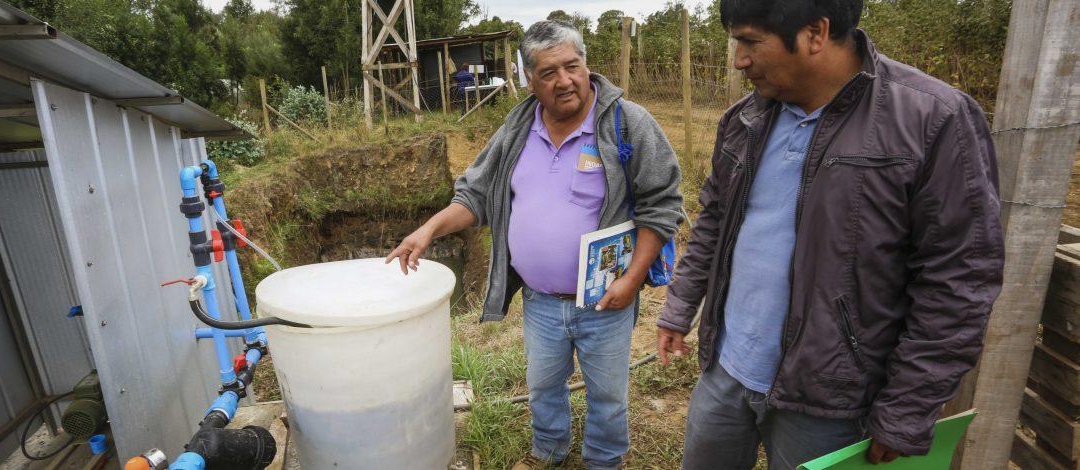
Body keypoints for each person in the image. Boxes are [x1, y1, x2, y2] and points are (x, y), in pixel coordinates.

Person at [656, 1, 1004, 469]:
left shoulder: (932, 120)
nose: (739, 60)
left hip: (833, 399)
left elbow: (959, 280)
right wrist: (679, 309)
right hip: (727, 370)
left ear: (816, 33)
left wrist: (905, 409)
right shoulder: (745, 120)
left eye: (750, 42)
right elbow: (714, 222)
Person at [388, 20, 684, 470]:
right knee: (544, 386)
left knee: (608, 394)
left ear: (586, 64)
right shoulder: (517, 126)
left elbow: (661, 206)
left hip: (606, 299)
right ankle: (549, 453)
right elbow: (476, 196)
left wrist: (633, 277)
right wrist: (428, 230)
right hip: (541, 302)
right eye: (549, 72)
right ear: (529, 78)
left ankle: (605, 461)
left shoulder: (627, 122)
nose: (564, 80)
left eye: (573, 66)